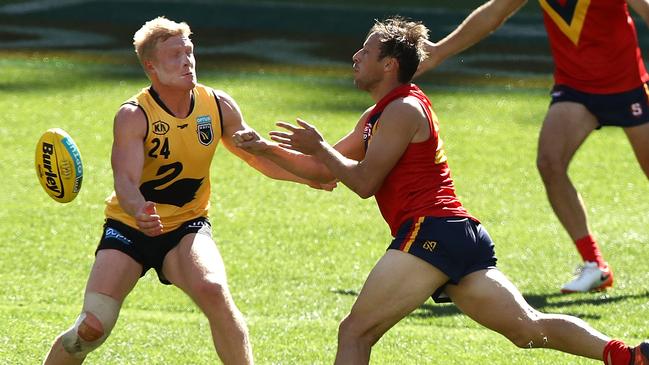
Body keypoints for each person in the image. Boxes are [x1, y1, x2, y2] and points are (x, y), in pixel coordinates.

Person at [234, 17, 649, 365]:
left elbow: (360, 183)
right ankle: (627, 357)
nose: (356, 56)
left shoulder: (403, 111)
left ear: (390, 64)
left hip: (430, 232)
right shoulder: (381, 112)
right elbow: (321, 172)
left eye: (366, 51)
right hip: (455, 234)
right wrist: (263, 149)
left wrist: (320, 147)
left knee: (355, 332)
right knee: (527, 328)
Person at [42, 16, 332, 365]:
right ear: (151, 66)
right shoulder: (134, 115)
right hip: (129, 229)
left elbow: (258, 158)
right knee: (91, 330)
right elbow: (125, 181)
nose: (187, 61)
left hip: (186, 227)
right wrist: (138, 210)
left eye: (189, 52)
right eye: (175, 55)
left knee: (214, 291)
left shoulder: (217, 105)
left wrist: (307, 177)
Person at [414, 0, 649, 293]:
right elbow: (494, 13)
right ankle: (595, 265)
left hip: (627, 88)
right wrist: (439, 52)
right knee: (550, 163)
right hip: (575, 88)